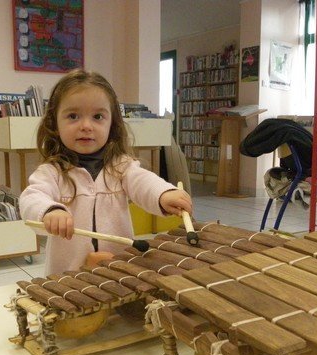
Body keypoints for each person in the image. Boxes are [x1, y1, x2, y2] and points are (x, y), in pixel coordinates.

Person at [20, 69, 192, 275]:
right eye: (73, 116)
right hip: (67, 275)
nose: (86, 126)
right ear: (54, 123)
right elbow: (32, 198)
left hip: (117, 270)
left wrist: (163, 193)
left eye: (98, 116)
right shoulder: (51, 172)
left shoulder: (121, 166)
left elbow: (143, 182)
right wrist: (49, 211)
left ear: (112, 124)